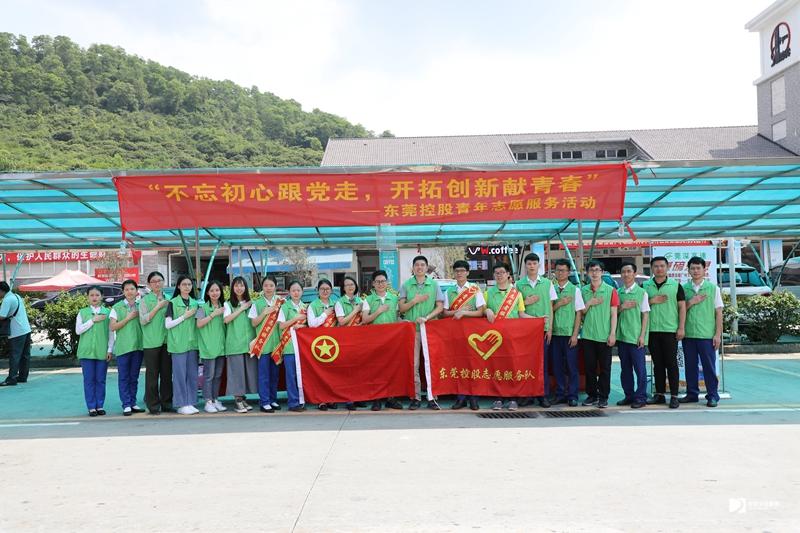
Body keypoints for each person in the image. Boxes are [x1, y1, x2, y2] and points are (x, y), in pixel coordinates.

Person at [398, 255, 444, 410]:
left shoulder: (434, 285)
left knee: (431, 363)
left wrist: (427, 318)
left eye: (422, 265)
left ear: (426, 267)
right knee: (414, 364)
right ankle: (416, 397)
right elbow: (401, 308)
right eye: (416, 265)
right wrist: (414, 301)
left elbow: (440, 307)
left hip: (430, 330)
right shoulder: (406, 285)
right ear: (413, 268)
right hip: (412, 331)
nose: (419, 267)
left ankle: (432, 397)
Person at [680, 256, 723, 408]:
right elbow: (680, 310)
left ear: (705, 269)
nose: (696, 271)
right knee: (690, 366)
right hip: (689, 334)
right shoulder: (684, 289)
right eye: (692, 268)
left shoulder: (713, 288)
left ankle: (712, 395)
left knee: (709, 367)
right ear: (688, 270)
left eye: (698, 268)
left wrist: (717, 335)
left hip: (707, 335)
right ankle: (692, 394)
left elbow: (719, 313)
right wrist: (691, 302)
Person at [485, 263, 529, 411]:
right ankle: (498, 398)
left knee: (513, 366)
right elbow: (482, 310)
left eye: (502, 272)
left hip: (512, 337)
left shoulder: (516, 294)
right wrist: (487, 310)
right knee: (497, 366)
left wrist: (538, 319)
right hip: (495, 338)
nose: (499, 275)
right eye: (496, 273)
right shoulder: (488, 293)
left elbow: (521, 314)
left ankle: (513, 398)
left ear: (508, 274)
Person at [515, 253, 557, 408]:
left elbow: (551, 307)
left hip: (543, 330)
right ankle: (528, 395)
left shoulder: (547, 283)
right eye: (529, 264)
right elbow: (515, 307)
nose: (532, 266)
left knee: (542, 364)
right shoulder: (519, 285)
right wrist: (526, 302)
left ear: (539, 265)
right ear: (525, 266)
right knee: (526, 363)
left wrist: (550, 328)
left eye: (534, 263)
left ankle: (542, 395)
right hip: (525, 331)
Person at [644, 256, 686, 409]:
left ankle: (674, 396)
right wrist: (651, 301)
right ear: (652, 268)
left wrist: (681, 327)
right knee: (658, 364)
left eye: (662, 266)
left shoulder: (676, 285)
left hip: (670, 330)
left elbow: (682, 307)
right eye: (656, 266)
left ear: (667, 268)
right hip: (652, 330)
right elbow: (640, 306)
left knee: (671, 363)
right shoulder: (645, 286)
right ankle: (659, 394)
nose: (659, 269)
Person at [443, 260, 486, 411]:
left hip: (473, 333)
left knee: (473, 364)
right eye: (457, 271)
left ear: (467, 272)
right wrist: (457, 311)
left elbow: (481, 312)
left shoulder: (475, 289)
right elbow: (444, 313)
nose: (459, 273)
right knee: (459, 364)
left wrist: (465, 313)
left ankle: (474, 397)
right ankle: (460, 397)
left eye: (462, 271)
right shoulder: (449, 292)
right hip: (456, 333)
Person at [580, 260, 618, 409]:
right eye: (591, 270)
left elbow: (614, 314)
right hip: (588, 335)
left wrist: (612, 333)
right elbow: (581, 312)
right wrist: (589, 303)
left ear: (602, 272)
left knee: (605, 368)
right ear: (587, 273)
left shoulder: (610, 290)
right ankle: (592, 395)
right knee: (589, 368)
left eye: (597, 270)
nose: (594, 273)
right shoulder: (583, 290)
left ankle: (603, 396)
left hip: (604, 335)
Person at [361, 270, 401, 411]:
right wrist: (379, 311)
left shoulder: (395, 299)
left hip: (391, 339)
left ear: (387, 282)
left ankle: (391, 398)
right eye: (377, 282)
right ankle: (376, 399)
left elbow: (399, 317)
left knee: (391, 368)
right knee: (376, 369)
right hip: (375, 339)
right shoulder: (368, 300)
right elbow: (365, 319)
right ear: (373, 284)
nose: (380, 284)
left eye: (383, 281)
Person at [550, 259, 585, 407]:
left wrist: (575, 334)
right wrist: (559, 303)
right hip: (554, 334)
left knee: (572, 366)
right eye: (558, 270)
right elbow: (548, 310)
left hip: (570, 335)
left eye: (563, 270)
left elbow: (579, 313)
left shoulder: (575, 290)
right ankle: (560, 394)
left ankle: (572, 395)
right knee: (557, 366)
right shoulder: (551, 289)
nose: (560, 273)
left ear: (568, 272)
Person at [615, 262, 650, 409]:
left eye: (629, 271)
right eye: (623, 272)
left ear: (634, 274)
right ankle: (628, 395)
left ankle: (641, 397)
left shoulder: (642, 293)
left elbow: (645, 315)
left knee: (640, 370)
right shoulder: (618, 292)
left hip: (636, 338)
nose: (626, 274)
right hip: (622, 337)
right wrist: (622, 307)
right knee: (625, 369)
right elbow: (613, 313)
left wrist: (642, 336)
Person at [165, 275, 200, 415]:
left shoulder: (196, 303)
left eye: (189, 284)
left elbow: (199, 323)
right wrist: (184, 317)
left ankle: (190, 402)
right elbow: (168, 325)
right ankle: (181, 404)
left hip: (192, 344)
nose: (187, 287)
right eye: (184, 284)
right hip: (178, 344)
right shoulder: (172, 303)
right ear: (178, 286)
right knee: (179, 375)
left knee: (192, 375)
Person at [138, 271, 172, 415]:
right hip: (151, 342)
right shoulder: (145, 300)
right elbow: (143, 320)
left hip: (167, 341)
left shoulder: (169, 299)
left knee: (166, 374)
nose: (157, 284)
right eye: (154, 281)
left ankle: (167, 403)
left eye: (159, 281)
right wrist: (158, 307)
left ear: (163, 282)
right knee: (152, 375)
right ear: (149, 284)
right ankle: (153, 405)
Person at [75, 286, 112, 416]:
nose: (94, 297)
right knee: (89, 380)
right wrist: (92, 320)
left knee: (101, 380)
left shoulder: (107, 313)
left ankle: (100, 405)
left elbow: (111, 333)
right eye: (91, 295)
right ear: (87, 297)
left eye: (97, 295)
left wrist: (110, 349)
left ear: (102, 296)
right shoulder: (82, 312)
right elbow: (78, 330)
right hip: (86, 352)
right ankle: (91, 407)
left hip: (102, 351)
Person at [109, 279, 144, 416]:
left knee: (134, 377)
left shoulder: (141, 305)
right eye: (127, 289)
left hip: (138, 346)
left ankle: (133, 403)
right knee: (124, 377)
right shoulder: (116, 307)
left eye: (132, 289)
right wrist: (129, 318)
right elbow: (113, 327)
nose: (130, 292)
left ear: (136, 291)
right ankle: (126, 404)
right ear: (123, 292)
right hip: (123, 347)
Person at [249, 275, 283, 413]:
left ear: (275, 287)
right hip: (263, 345)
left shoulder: (281, 302)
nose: (268, 288)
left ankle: (273, 399)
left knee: (274, 374)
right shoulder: (256, 303)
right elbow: (253, 323)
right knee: (264, 375)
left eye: (271, 285)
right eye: (266, 286)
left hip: (277, 344)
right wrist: (264, 313)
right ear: (262, 287)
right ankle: (264, 401)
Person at [224, 276, 256, 414]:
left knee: (248, 373)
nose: (239, 288)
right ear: (232, 288)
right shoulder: (228, 304)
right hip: (235, 343)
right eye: (236, 285)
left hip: (249, 343)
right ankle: (237, 400)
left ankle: (242, 398)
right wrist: (241, 308)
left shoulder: (251, 303)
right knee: (236, 373)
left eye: (242, 285)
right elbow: (226, 319)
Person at [307, 279, 339, 411]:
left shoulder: (336, 304)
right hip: (318, 343)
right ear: (317, 291)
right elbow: (312, 324)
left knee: (332, 372)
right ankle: (321, 400)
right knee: (319, 373)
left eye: (327, 289)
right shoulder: (312, 305)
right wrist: (325, 314)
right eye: (322, 289)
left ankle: (331, 398)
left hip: (333, 343)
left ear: (331, 290)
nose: (325, 291)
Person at [197, 280, 227, 413]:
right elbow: (199, 324)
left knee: (218, 375)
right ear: (208, 293)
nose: (215, 293)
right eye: (212, 290)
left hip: (221, 347)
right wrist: (213, 314)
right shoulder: (202, 308)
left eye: (217, 290)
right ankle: (208, 401)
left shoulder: (224, 307)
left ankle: (215, 399)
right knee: (209, 376)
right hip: (208, 347)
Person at [335, 275, 365, 410]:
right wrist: (356, 310)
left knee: (359, 369)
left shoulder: (361, 300)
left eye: (352, 284)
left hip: (359, 339)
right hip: (346, 340)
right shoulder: (339, 303)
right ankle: (349, 399)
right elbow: (341, 322)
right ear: (343, 288)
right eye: (347, 285)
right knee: (348, 370)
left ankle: (359, 397)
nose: (350, 287)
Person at [276, 280, 307, 412]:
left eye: (298, 290)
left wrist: (302, 326)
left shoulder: (305, 307)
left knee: (302, 375)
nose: (296, 293)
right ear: (289, 292)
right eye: (293, 290)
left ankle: (302, 400)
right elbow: (281, 325)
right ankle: (293, 402)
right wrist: (295, 320)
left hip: (302, 347)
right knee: (291, 376)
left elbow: (309, 325)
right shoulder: (285, 307)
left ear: (302, 292)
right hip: (289, 347)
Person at [0, 281, 32, 387]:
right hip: (26, 329)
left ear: (1, 291)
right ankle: (23, 377)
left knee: (15, 355)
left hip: (16, 331)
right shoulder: (16, 296)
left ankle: (11, 379)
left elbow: (2, 316)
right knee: (25, 355)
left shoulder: (7, 300)